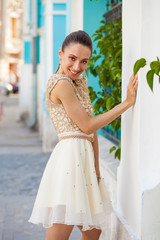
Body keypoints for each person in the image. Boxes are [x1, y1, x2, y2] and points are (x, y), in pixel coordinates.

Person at [28, 30, 138, 240]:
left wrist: (96, 171)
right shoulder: (61, 83)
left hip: (83, 162)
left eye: (84, 61)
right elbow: (87, 126)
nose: (77, 67)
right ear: (60, 54)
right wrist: (126, 104)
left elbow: (92, 133)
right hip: (70, 161)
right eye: (72, 58)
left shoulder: (79, 83)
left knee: (93, 232)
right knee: (60, 233)